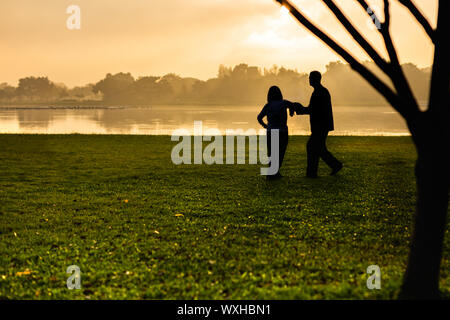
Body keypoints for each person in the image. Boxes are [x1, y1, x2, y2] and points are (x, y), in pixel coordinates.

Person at [294, 71, 343, 178]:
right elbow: (312, 109)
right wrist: (300, 109)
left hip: (321, 125)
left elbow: (312, 110)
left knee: (312, 146)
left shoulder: (319, 92)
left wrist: (299, 108)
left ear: (315, 79)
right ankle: (334, 165)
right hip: (322, 125)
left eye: (310, 78)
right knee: (318, 147)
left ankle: (312, 172)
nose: (309, 80)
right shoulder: (320, 91)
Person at [257, 86, 301, 180]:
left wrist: (265, 126)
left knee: (272, 153)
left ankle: (273, 172)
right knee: (280, 153)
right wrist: (291, 111)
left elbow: (259, 117)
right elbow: (293, 105)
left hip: (271, 131)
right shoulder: (284, 103)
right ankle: (273, 173)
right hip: (282, 132)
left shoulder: (268, 105)